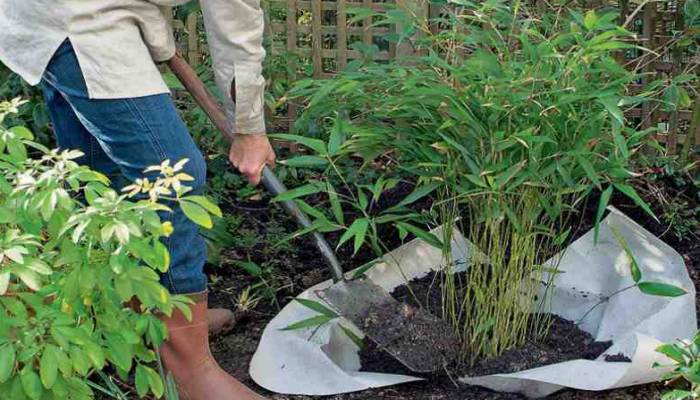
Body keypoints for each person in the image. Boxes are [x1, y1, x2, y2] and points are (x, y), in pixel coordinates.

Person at [0, 1, 275, 399]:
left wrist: (249, 126)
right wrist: (250, 130)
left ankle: (140, 321)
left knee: (99, 173)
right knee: (173, 174)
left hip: (80, 12)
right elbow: (235, 21)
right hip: (73, 16)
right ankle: (189, 370)